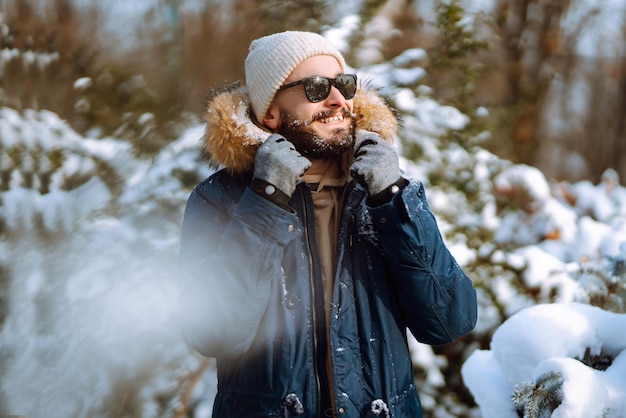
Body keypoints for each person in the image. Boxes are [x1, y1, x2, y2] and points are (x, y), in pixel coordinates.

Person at [178, 31, 477, 418]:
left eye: (345, 85)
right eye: (316, 88)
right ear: (270, 111)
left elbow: (449, 319)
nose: (338, 100)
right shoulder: (220, 200)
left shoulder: (383, 192)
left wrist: (393, 200)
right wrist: (265, 199)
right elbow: (212, 331)